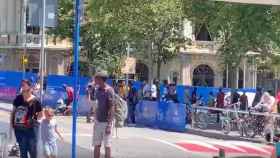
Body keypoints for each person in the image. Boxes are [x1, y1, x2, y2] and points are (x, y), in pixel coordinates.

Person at [11, 79, 43, 158]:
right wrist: (12, 124)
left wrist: (34, 121)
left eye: (24, 85)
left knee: (32, 150)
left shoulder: (36, 101)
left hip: (31, 129)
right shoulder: (18, 98)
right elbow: (13, 112)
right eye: (22, 85)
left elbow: (40, 115)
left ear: (30, 88)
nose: (22, 87)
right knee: (23, 151)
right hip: (19, 128)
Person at [93, 71, 115, 158]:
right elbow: (96, 105)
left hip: (106, 122)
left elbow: (112, 107)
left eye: (96, 78)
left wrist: (109, 124)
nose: (94, 80)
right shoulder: (97, 90)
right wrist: (95, 119)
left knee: (107, 146)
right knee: (96, 145)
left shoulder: (109, 90)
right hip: (98, 121)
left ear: (101, 79)